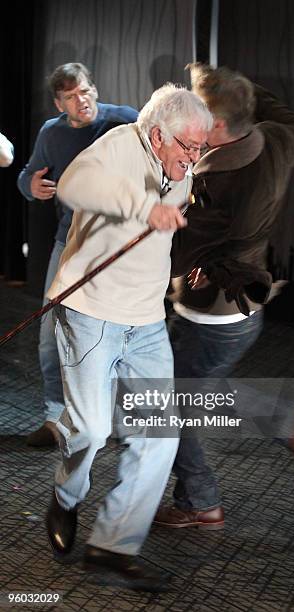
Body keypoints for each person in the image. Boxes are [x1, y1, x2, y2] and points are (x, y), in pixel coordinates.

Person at [45, 83, 213, 591]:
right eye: (189, 146)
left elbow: (160, 238)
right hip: (90, 312)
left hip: (145, 320)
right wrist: (142, 207)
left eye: (202, 147)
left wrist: (189, 268)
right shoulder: (119, 144)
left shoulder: (180, 167)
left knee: (159, 433)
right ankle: (66, 498)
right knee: (92, 431)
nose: (195, 156)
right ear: (158, 135)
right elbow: (74, 187)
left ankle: (112, 545)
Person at [154, 63, 294, 531]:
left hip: (212, 313)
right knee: (196, 390)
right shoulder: (276, 140)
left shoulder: (216, 184)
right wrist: (234, 86)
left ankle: (199, 503)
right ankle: (290, 421)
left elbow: (172, 253)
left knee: (171, 406)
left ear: (219, 126)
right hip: (236, 315)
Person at [17, 63, 138, 447]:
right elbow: (28, 175)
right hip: (68, 245)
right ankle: (55, 417)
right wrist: (30, 185)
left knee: (117, 337)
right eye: (70, 96)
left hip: (118, 249)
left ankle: (118, 420)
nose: (80, 100)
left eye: (84, 91)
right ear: (59, 103)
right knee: (51, 336)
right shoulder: (52, 134)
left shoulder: (125, 122)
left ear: (94, 90)